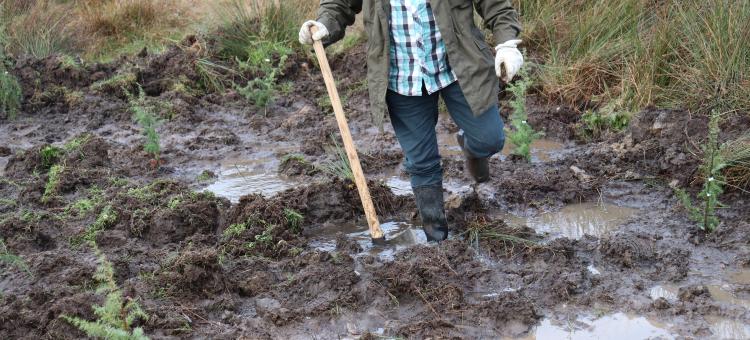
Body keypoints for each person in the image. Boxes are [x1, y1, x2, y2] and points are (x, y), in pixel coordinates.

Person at [299, 0, 523, 242]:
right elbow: (340, 4)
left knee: (489, 139)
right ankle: (437, 241)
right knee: (421, 163)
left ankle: (472, 149)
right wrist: (323, 24)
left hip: (460, 67)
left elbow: (495, 5)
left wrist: (507, 43)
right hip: (402, 77)